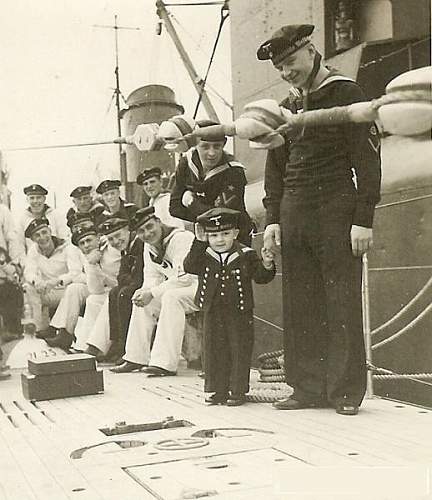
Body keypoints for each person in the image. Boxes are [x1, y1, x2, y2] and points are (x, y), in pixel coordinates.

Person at [257, 24, 381, 415]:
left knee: (340, 299)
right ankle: (307, 388)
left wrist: (364, 218)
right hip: (295, 211)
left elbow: (368, 160)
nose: (286, 72)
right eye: (279, 67)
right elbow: (276, 166)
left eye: (290, 62)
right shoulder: (287, 106)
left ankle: (344, 392)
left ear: (311, 52)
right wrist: (273, 217)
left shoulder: (346, 94)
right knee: (301, 301)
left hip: (335, 208)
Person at [184, 207, 275, 406]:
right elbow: (189, 266)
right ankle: (216, 389)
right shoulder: (204, 254)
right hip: (212, 310)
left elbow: (260, 277)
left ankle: (237, 390)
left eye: (225, 234)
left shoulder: (245, 254)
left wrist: (267, 264)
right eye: (214, 235)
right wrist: (199, 242)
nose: (219, 240)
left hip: (239, 312)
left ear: (235, 233)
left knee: (238, 349)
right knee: (214, 349)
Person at [111, 206, 198, 375]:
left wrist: (152, 293)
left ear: (158, 222)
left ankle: (165, 363)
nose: (148, 233)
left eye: (150, 227)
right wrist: (144, 292)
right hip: (178, 289)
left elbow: (185, 277)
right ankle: (135, 357)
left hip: (200, 287)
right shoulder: (149, 246)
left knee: (171, 298)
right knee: (143, 301)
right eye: (141, 231)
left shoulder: (181, 238)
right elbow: (151, 277)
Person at [169, 121, 254, 245]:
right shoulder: (186, 163)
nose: (212, 153)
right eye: (205, 146)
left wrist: (191, 203)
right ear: (195, 144)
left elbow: (223, 217)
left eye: (217, 146)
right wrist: (207, 213)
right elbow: (174, 208)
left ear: (224, 144)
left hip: (234, 236)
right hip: (205, 234)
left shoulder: (234, 171)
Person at [45, 223, 120, 351]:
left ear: (98, 237)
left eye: (89, 240)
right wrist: (92, 264)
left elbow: (118, 279)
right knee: (75, 289)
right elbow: (95, 289)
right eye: (82, 243)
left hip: (119, 289)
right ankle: (68, 335)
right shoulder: (89, 256)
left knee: (94, 300)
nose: (86, 245)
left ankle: (96, 346)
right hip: (104, 290)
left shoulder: (112, 247)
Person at [84, 217, 144, 361]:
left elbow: (139, 276)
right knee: (115, 292)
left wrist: (128, 281)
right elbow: (121, 276)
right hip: (130, 285)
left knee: (123, 293)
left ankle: (122, 345)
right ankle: (116, 343)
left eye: (118, 236)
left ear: (128, 231)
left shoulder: (139, 244)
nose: (116, 241)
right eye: (111, 239)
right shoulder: (125, 248)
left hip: (149, 285)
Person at [22, 218, 83, 336]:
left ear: (50, 231)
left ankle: (62, 332)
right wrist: (36, 281)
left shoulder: (67, 247)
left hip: (67, 291)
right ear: (33, 239)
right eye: (37, 235)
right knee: (28, 287)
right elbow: (29, 271)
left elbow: (75, 272)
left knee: (74, 288)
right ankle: (39, 330)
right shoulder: (34, 250)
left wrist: (57, 281)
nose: (42, 237)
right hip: (48, 291)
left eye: (44, 232)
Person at [16, 184, 69, 256]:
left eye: (38, 197)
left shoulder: (56, 215)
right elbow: (19, 245)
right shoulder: (22, 219)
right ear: (27, 200)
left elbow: (64, 239)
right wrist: (24, 264)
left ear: (44, 199)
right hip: (33, 261)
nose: (35, 201)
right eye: (32, 198)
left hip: (56, 259)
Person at [0, 246, 23, 341]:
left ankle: (13, 329)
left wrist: (3, 264)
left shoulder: (1, 252)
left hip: (6, 288)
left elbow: (13, 272)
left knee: (12, 290)